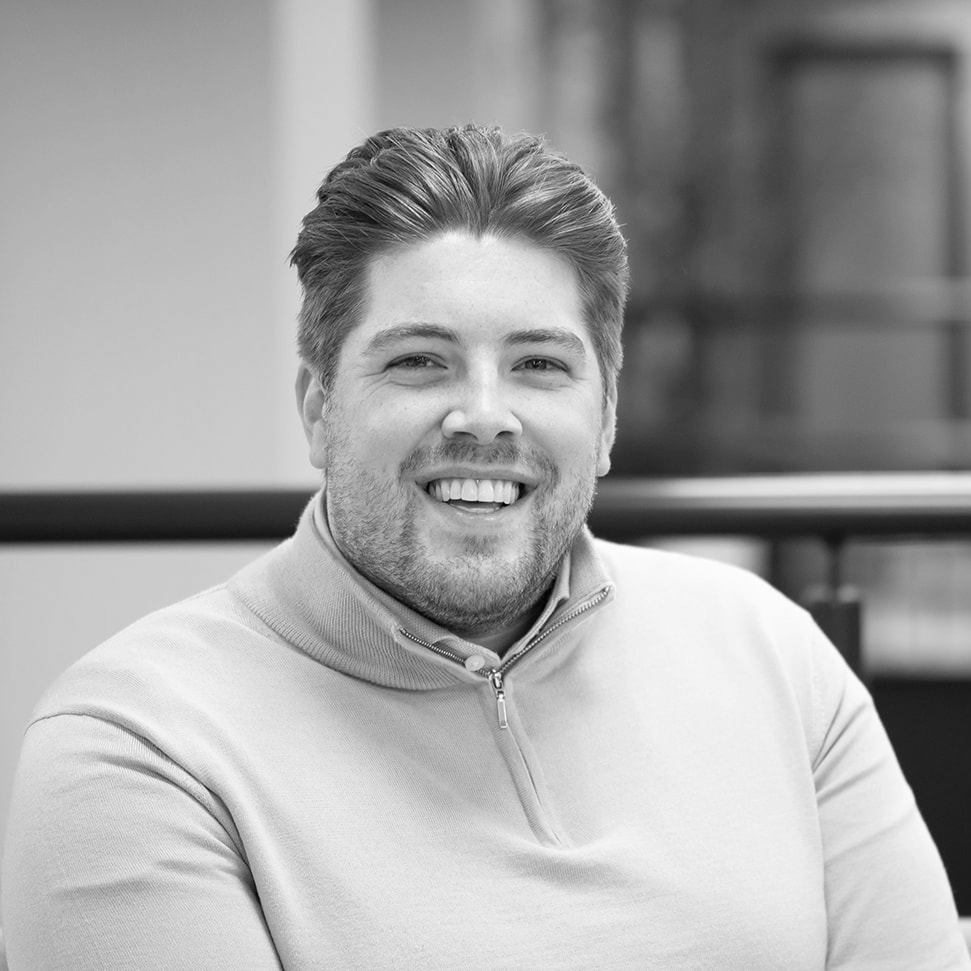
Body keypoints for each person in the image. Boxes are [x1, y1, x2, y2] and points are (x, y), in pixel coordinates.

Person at [1, 124, 968, 970]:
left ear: (606, 417)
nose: (485, 415)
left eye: (539, 365)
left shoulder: (771, 652)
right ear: (318, 407)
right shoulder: (138, 746)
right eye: (420, 361)